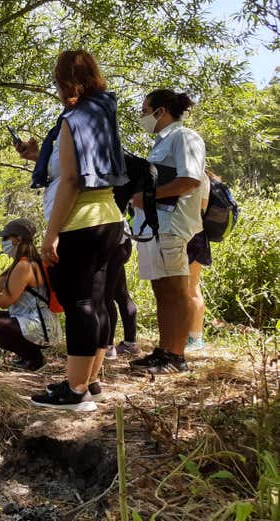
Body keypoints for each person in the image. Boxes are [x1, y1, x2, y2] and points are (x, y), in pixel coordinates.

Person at [17, 50, 128, 411]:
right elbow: (78, 165)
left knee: (79, 303)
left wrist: (51, 234)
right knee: (97, 302)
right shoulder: (100, 114)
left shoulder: (74, 119)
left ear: (65, 80)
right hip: (108, 219)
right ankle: (90, 380)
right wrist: (37, 156)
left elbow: (70, 179)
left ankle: (75, 390)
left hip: (80, 224)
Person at [129, 90, 206, 374]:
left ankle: (176, 356)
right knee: (162, 291)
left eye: (144, 110)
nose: (142, 115)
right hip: (155, 227)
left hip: (172, 226)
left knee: (176, 290)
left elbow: (189, 180)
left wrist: (149, 196)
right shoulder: (162, 142)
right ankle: (163, 351)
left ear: (160, 111)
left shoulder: (184, 137)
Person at [0, 218, 62, 371]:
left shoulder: (24, 266)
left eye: (5, 238)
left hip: (41, 327)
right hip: (39, 322)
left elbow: (4, 301)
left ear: (18, 239)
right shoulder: (22, 263)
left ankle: (34, 359)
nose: (3, 242)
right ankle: (29, 356)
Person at [185, 171, 214, 351]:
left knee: (192, 288)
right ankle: (188, 335)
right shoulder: (203, 176)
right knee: (187, 288)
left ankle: (196, 338)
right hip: (195, 234)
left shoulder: (200, 177)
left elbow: (201, 208)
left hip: (192, 235)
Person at [104, 225, 139, 359]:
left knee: (105, 298)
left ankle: (107, 347)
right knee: (120, 294)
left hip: (111, 241)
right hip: (121, 240)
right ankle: (130, 343)